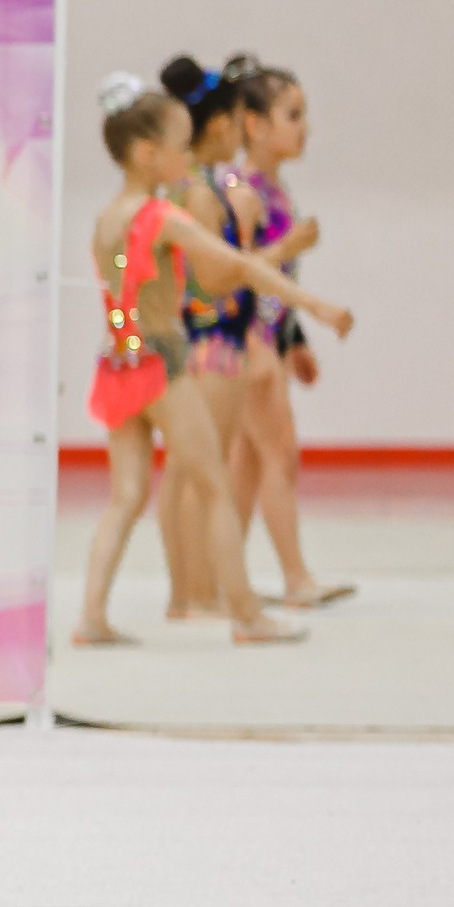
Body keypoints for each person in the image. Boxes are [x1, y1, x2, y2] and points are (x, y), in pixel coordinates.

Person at [71, 75, 352, 649]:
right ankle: (246, 615)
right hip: (161, 369)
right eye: (178, 146)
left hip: (117, 366)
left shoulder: (105, 219)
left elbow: (118, 303)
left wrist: (128, 343)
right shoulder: (159, 218)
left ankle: (91, 617)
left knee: (126, 496)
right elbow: (238, 268)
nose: (186, 154)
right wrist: (314, 304)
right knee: (216, 488)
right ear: (147, 155)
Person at [228, 57, 353, 608]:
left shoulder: (273, 190)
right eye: (292, 115)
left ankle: (220, 577)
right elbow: (239, 272)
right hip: (244, 341)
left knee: (250, 464)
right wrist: (292, 246)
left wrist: (294, 338)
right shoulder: (242, 190)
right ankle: (295, 578)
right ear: (254, 124)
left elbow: (274, 283)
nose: (304, 128)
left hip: (267, 339)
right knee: (278, 455)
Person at [151, 55, 265, 620]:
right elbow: (213, 279)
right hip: (213, 342)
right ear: (221, 124)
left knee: (186, 472)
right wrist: (255, 244)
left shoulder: (182, 186)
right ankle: (197, 591)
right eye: (242, 120)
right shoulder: (199, 192)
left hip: (193, 340)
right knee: (203, 474)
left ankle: (186, 592)